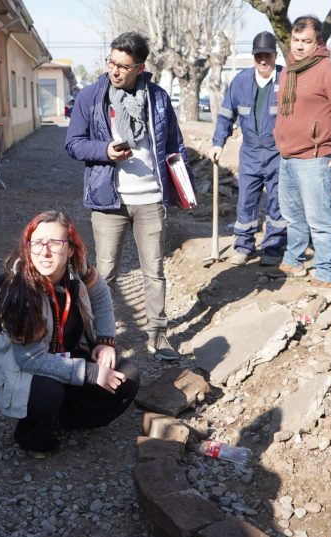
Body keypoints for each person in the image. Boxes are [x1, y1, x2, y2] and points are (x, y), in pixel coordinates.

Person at [65, 32, 194, 361]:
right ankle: (97, 337)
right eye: (111, 63)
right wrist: (105, 151)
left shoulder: (158, 98)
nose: (115, 71)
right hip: (108, 201)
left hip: (150, 199)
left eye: (123, 66)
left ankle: (158, 335)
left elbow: (174, 146)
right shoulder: (91, 97)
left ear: (140, 67)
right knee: (104, 273)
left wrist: (183, 185)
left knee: (154, 271)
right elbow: (74, 143)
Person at [0, 210, 140, 458]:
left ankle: (66, 418)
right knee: (48, 391)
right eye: (37, 243)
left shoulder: (78, 269)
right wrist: (91, 372)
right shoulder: (21, 291)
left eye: (55, 243)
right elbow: (30, 359)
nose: (44, 252)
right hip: (26, 367)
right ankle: (32, 436)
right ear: (28, 247)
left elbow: (100, 292)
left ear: (71, 249)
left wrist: (105, 340)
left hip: (65, 353)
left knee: (127, 376)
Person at [273, 15, 331, 288]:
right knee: (293, 215)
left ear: (318, 42)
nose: (298, 47)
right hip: (287, 156)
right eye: (295, 40)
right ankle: (294, 260)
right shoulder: (290, 70)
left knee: (319, 219)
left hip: (315, 157)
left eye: (305, 42)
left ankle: (324, 272)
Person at [208, 31, 286, 267]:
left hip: (278, 153)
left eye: (268, 55)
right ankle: (244, 246)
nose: (263, 60)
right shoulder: (240, 82)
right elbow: (225, 115)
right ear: (254, 57)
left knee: (277, 202)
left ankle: (273, 248)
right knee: (247, 201)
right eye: (259, 55)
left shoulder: (286, 80)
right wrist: (218, 143)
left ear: (275, 55)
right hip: (250, 153)